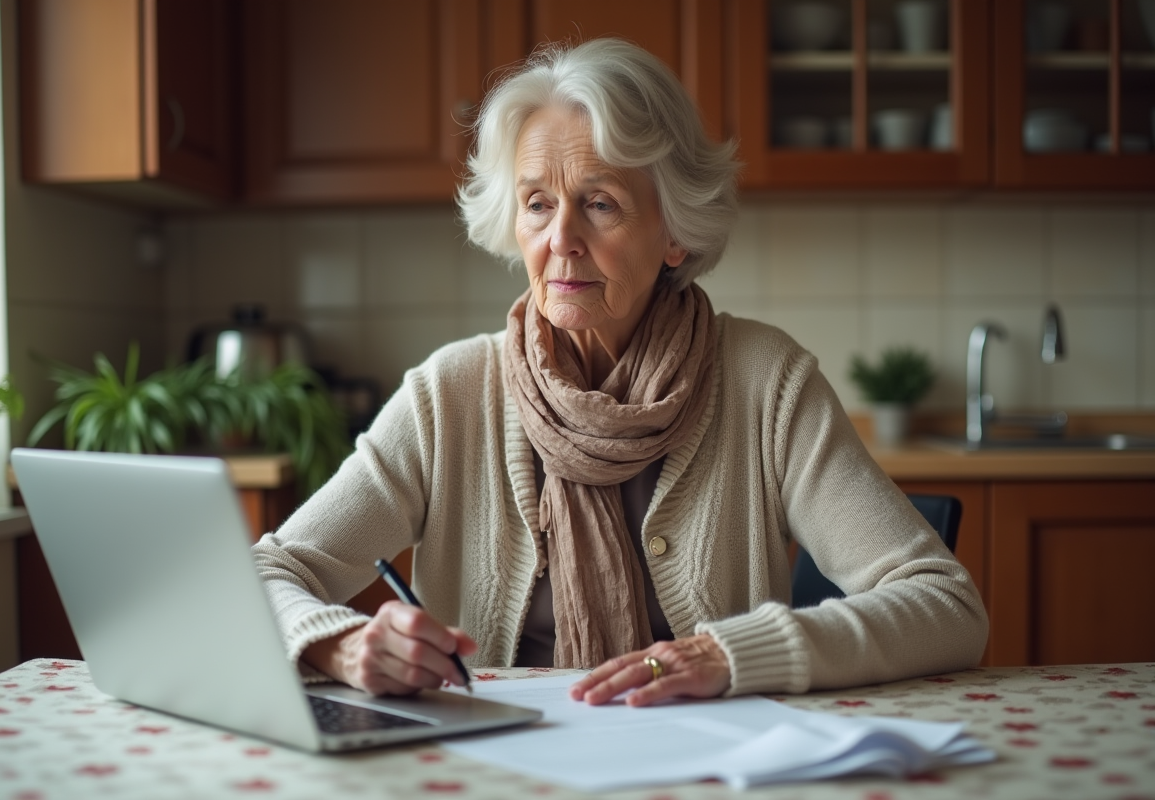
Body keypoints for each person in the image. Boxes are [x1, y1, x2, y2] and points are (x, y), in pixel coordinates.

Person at [252, 38, 988, 707]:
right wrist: (338, 644)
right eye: (538, 204)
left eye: (599, 203)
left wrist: (733, 654)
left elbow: (945, 604)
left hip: (710, 767)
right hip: (498, 766)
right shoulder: (450, 394)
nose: (561, 239)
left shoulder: (767, 382)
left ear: (675, 233)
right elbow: (265, 573)